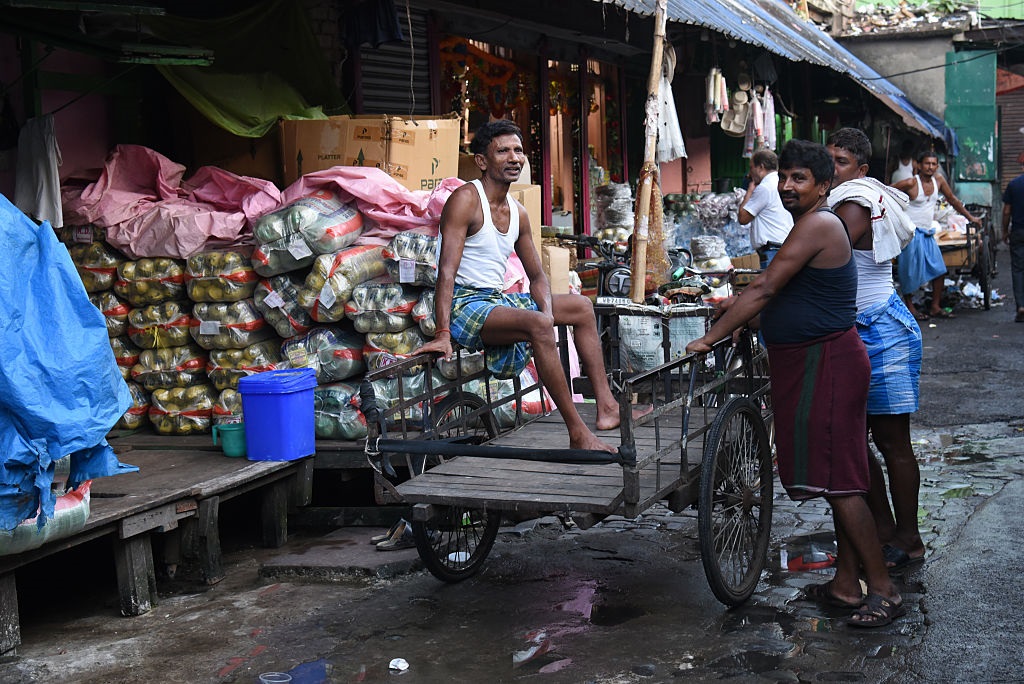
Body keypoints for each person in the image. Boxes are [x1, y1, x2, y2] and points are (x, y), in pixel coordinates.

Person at [686, 139, 905, 628]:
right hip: (813, 362)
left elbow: (766, 287)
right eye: (783, 176)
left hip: (827, 364)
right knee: (836, 480)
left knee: (844, 485)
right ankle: (847, 585)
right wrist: (740, 314)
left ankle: (884, 591)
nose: (786, 185)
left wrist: (709, 338)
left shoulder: (821, 224)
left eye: (799, 178)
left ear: (824, 186)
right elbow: (784, 293)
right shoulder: (807, 225)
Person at [416, 119, 622, 453]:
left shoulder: (519, 213)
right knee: (539, 324)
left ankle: (607, 407)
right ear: (482, 161)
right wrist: (442, 332)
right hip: (464, 306)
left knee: (581, 307)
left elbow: (538, 277)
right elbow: (447, 273)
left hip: (495, 301)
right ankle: (577, 433)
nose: (514, 158)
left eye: (518, 150)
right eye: (503, 151)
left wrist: (549, 312)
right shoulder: (466, 199)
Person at [827, 128, 926, 573]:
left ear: (861, 169)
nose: (833, 169)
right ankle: (884, 527)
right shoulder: (844, 198)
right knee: (855, 442)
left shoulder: (854, 202)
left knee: (891, 442)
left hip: (881, 330)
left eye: (841, 162)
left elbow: (826, 256)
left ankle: (909, 538)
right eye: (828, 159)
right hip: (853, 330)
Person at [892, 151, 981, 320]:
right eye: (927, 163)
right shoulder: (911, 183)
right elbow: (888, 190)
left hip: (927, 233)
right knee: (908, 272)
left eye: (933, 164)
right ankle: (910, 308)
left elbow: (953, 200)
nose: (930, 167)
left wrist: (971, 218)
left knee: (939, 270)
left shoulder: (938, 181)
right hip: (910, 234)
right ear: (918, 165)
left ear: (937, 166)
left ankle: (935, 306)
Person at [737, 148, 794, 268]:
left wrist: (750, 190)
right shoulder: (780, 182)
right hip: (783, 246)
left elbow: (743, 218)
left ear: (761, 167)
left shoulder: (765, 187)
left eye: (751, 167)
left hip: (773, 250)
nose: (749, 174)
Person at [1001, 151, 1024, 323]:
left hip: (1018, 231)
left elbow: (1007, 211)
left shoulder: (1014, 185)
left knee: (1018, 269)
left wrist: (1004, 231)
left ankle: (1021, 306)